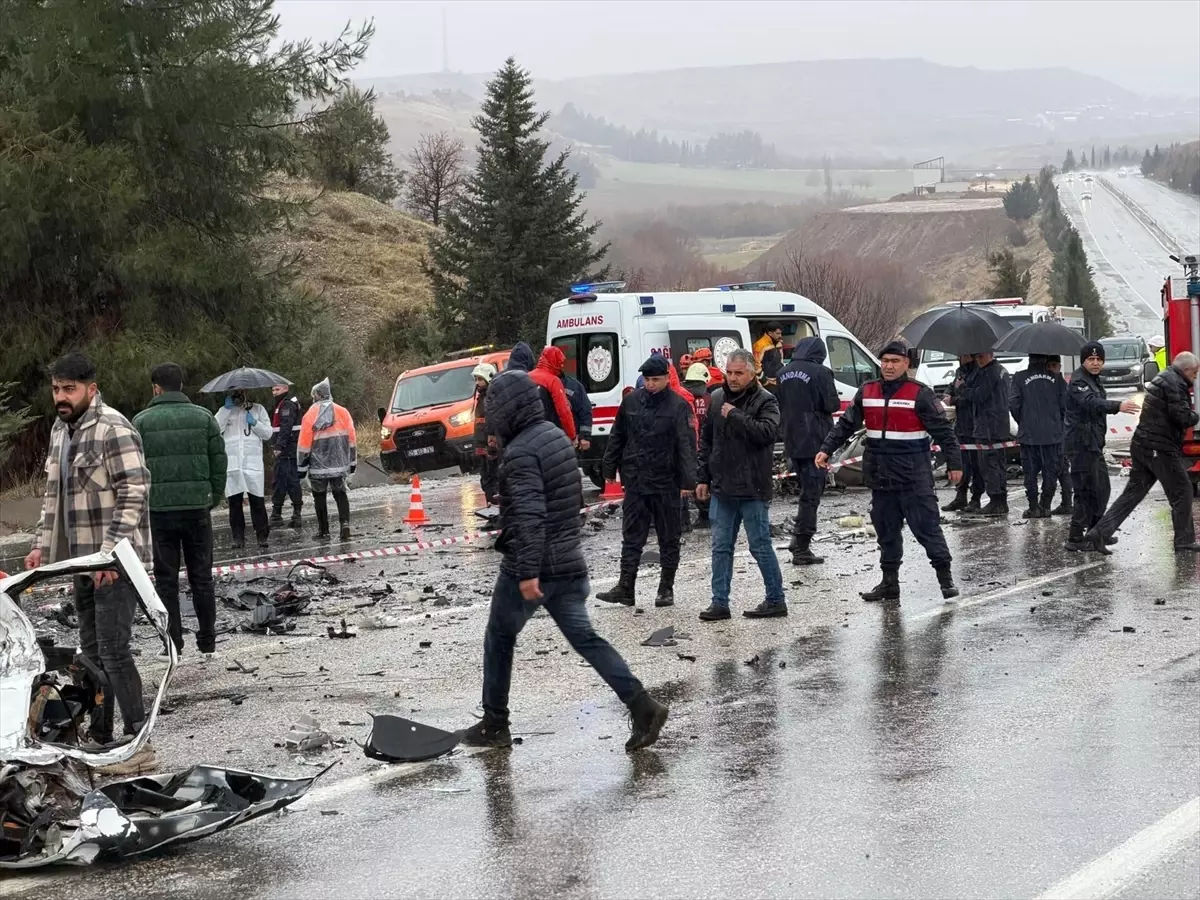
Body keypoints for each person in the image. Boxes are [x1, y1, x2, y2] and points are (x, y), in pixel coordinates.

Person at [457, 370, 668, 753]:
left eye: (493, 410)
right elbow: (570, 503)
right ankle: (642, 706)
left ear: (507, 410)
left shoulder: (520, 452)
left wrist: (527, 572)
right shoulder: (554, 437)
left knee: (499, 637)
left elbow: (531, 514)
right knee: (586, 638)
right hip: (569, 561)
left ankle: (494, 722)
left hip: (536, 564)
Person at [24, 352, 155, 774]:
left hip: (116, 562)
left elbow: (134, 491)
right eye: (56, 389)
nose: (61, 397)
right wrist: (42, 546)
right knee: (92, 652)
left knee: (115, 652)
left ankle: (139, 742)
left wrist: (111, 551)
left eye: (70, 389)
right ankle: (102, 741)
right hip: (80, 561)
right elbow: (52, 498)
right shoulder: (60, 432)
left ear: (91, 389)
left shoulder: (113, 428)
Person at [818, 341, 963, 602]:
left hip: (913, 475)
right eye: (885, 361)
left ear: (906, 364)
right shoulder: (868, 391)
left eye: (895, 361)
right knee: (886, 531)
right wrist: (826, 449)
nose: (888, 366)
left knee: (927, 529)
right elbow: (846, 425)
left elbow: (945, 432)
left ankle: (945, 579)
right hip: (881, 475)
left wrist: (955, 464)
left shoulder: (920, 393)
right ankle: (889, 583)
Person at [132, 363, 227, 659]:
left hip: (159, 512)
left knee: (165, 581)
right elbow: (219, 462)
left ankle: (173, 644)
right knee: (202, 577)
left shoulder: (141, 422)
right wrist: (212, 496)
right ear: (181, 385)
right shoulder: (205, 418)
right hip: (197, 509)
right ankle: (208, 641)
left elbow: (133, 468)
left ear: (155, 388)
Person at [597, 356, 697, 608]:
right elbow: (617, 435)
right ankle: (625, 587)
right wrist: (609, 468)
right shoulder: (631, 402)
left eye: (656, 380)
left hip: (666, 482)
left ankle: (666, 588)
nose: (651, 384)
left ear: (666, 378)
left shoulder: (678, 406)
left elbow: (686, 445)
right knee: (631, 536)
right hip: (637, 481)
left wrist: (688, 481)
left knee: (669, 537)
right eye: (648, 380)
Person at [696, 348, 785, 620]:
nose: (733, 378)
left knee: (759, 546)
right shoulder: (717, 398)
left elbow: (767, 434)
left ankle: (775, 599)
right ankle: (719, 602)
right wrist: (702, 477)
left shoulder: (766, 400)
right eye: (729, 372)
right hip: (723, 487)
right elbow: (707, 441)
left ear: (752, 372)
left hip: (752, 487)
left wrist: (735, 415)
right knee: (720, 547)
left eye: (739, 373)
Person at [1084, 352, 1200, 553]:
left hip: (1142, 445)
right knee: (1182, 490)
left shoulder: (1164, 378)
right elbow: (1181, 417)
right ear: (1187, 370)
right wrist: (1195, 415)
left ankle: (1099, 533)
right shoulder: (1174, 384)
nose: (1196, 377)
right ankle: (1184, 540)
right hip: (1159, 448)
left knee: (1134, 492)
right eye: (1195, 373)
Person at [1063, 341, 1140, 551]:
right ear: (1084, 361)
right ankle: (1076, 537)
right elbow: (1090, 403)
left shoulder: (1094, 380)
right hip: (1080, 445)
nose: (1095, 363)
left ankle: (1097, 533)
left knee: (1101, 490)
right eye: (1091, 359)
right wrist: (1118, 406)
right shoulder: (1079, 381)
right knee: (1085, 491)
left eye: (1099, 359)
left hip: (1093, 444)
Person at [777, 336, 841, 565]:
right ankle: (802, 545)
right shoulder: (821, 373)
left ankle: (799, 540)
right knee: (811, 495)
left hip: (792, 440)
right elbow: (832, 405)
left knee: (806, 491)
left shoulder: (783, 373)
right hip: (817, 441)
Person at [298, 378, 357, 542]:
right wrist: (352, 463)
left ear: (317, 395)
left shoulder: (310, 415)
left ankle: (324, 530)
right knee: (340, 494)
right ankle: (345, 524)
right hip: (339, 464)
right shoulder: (343, 412)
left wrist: (301, 468)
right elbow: (352, 439)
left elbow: (304, 444)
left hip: (318, 466)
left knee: (319, 496)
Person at [1009, 353, 1068, 518]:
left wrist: (1023, 420)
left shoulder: (1020, 377)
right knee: (1051, 471)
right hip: (1053, 433)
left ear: (1029, 358)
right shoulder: (1057, 379)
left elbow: (1013, 403)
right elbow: (1065, 405)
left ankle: (1033, 507)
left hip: (1029, 434)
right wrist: (1057, 422)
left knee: (1030, 472)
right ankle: (1046, 506)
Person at [216, 389, 273, 550]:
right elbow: (215, 428)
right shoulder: (225, 411)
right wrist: (226, 410)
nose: (238, 396)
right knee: (234, 504)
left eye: (241, 393)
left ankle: (262, 536)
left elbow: (268, 433)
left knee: (257, 502)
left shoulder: (257, 409)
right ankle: (238, 539)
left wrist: (255, 423)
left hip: (252, 464)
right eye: (235, 393)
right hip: (233, 464)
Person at [958, 350, 1011, 516]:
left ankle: (996, 500)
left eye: (980, 356)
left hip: (988, 425)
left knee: (989, 464)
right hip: (997, 423)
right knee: (997, 463)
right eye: (975, 357)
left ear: (990, 354)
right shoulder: (1000, 370)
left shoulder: (991, 372)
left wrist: (962, 389)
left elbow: (979, 395)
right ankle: (1000, 501)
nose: (978, 360)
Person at [941, 354, 981, 512]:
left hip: (975, 424)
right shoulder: (960, 371)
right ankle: (960, 496)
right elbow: (952, 388)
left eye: (962, 355)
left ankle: (976, 498)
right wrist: (948, 395)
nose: (959, 357)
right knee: (963, 462)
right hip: (961, 424)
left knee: (976, 464)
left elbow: (973, 397)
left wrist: (955, 399)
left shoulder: (978, 373)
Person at [683, 362, 714, 529]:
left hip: (695, 446)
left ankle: (705, 516)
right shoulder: (711, 399)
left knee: (698, 481)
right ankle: (706, 515)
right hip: (705, 446)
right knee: (705, 480)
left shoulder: (684, 399)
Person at [269, 383, 303, 529]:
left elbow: (286, 427)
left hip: (288, 450)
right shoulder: (283, 404)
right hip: (288, 449)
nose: (274, 392)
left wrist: (279, 446)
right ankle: (285, 514)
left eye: (277, 389)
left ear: (286, 389)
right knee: (284, 481)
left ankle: (286, 514)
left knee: (287, 481)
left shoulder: (287, 405)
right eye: (273, 390)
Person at [527, 345, 577, 441]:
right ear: (555, 362)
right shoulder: (553, 381)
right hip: (548, 435)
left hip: (527, 435)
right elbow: (564, 411)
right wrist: (572, 436)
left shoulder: (526, 377)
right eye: (560, 363)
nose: (562, 366)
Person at [1045, 356, 1074, 516]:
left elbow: (1065, 408)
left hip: (1060, 431)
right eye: (1049, 365)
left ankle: (1066, 502)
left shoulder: (1061, 384)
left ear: (1059, 366)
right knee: (1061, 468)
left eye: (1054, 365)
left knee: (1062, 468)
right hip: (1056, 431)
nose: (1051, 368)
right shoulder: (1052, 383)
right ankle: (1066, 502)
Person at [472, 363, 499, 504]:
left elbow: (492, 420)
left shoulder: (491, 396)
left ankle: (496, 510)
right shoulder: (481, 397)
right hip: (482, 443)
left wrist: (492, 444)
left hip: (490, 444)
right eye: (476, 379)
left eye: (480, 379)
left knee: (493, 478)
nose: (477, 383)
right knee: (486, 479)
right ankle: (491, 507)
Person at [560, 362, 593, 453]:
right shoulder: (542, 384)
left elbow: (585, 411)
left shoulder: (574, 386)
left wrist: (585, 436)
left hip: (570, 441)